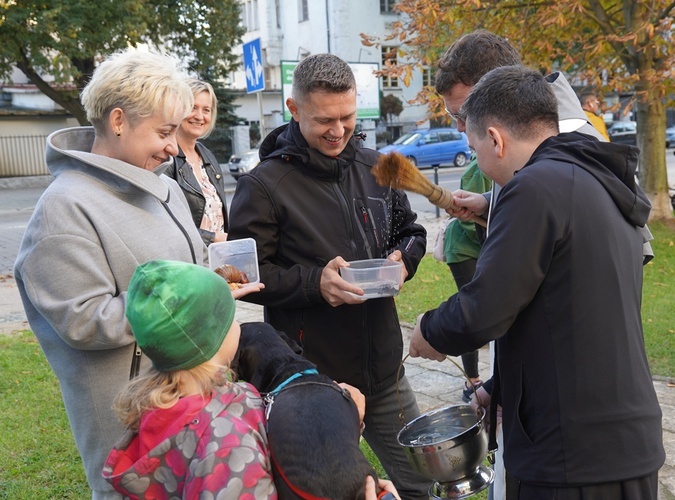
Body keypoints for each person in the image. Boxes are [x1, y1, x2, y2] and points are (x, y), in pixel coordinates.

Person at [410, 65, 665, 499]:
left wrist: (429, 330)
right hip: (623, 441)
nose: (478, 161)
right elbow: (564, 314)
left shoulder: (532, 189)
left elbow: (486, 307)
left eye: (474, 149)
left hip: (570, 456)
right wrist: (498, 387)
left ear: (495, 139)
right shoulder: (595, 177)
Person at [13, 50, 258, 499]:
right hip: (130, 422)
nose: (172, 145)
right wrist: (195, 299)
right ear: (120, 120)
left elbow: (190, 268)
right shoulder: (63, 208)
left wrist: (212, 284)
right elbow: (84, 320)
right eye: (164, 131)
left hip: (192, 397)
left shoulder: (165, 186)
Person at [228, 53, 431, 499]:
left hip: (383, 369)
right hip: (313, 384)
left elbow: (413, 231)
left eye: (347, 117)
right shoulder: (263, 186)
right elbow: (245, 276)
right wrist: (313, 283)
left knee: (420, 482)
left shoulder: (380, 167)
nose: (338, 131)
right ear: (294, 108)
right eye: (324, 120)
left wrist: (404, 259)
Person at [102, 260, 275, 497]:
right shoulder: (229, 450)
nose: (237, 325)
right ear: (212, 340)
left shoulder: (159, 406)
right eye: (230, 317)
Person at [442, 161, 492, 402]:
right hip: (464, 250)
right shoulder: (479, 168)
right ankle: (471, 380)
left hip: (481, 249)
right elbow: (467, 221)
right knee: (472, 311)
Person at [164, 79, 229, 245]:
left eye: (206, 110)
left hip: (217, 258)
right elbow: (165, 223)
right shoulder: (165, 158)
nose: (200, 116)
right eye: (193, 107)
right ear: (177, 110)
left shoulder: (208, 157)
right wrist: (212, 239)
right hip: (189, 261)